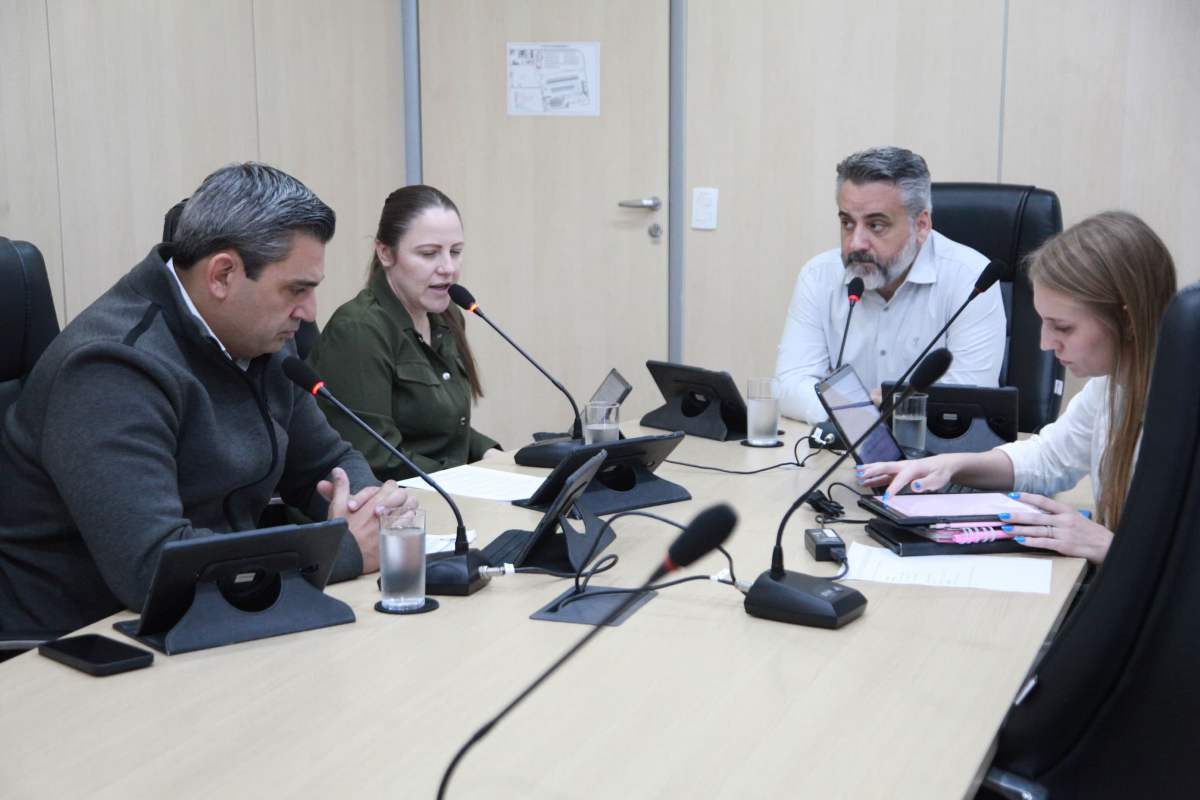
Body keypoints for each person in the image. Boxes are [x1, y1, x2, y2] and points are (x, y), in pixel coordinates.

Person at [0, 163, 415, 634]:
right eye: (296, 290)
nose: (308, 311)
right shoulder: (110, 368)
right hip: (81, 641)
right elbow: (153, 566)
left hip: (212, 615)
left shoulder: (260, 341)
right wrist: (341, 551)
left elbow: (326, 461)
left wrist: (368, 509)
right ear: (222, 275)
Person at [857, 211, 1177, 564]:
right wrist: (951, 465)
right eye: (1044, 323)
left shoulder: (1184, 407)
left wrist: (1109, 548)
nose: (1045, 344)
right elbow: (1048, 458)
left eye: (1063, 327)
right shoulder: (1110, 387)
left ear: (1127, 320)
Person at [774, 146, 1006, 422]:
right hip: (843, 444)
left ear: (921, 225)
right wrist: (859, 415)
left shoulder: (971, 279)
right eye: (847, 223)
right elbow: (790, 384)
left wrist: (877, 410)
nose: (856, 243)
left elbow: (970, 395)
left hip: (929, 447)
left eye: (876, 225)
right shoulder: (818, 276)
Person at [307, 185, 499, 480]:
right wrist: (469, 480)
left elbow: (442, 426)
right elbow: (374, 456)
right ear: (385, 253)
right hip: (394, 500)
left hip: (447, 492)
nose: (448, 268)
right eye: (429, 254)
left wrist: (489, 455)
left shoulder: (447, 315)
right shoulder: (359, 330)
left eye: (455, 252)